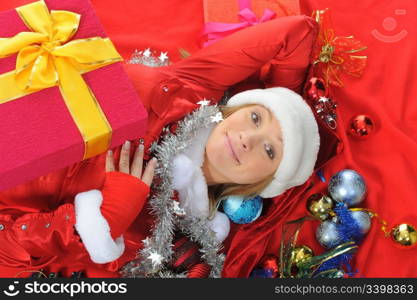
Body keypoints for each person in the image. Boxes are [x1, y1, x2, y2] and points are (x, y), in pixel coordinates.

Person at [0, 15, 320, 277]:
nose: (249, 138)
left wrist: (95, 224)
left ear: (262, 185)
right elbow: (295, 32)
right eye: (254, 117)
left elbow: (8, 259)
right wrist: (286, 105)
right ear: (231, 111)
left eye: (271, 151)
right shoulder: (191, 87)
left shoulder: (162, 242)